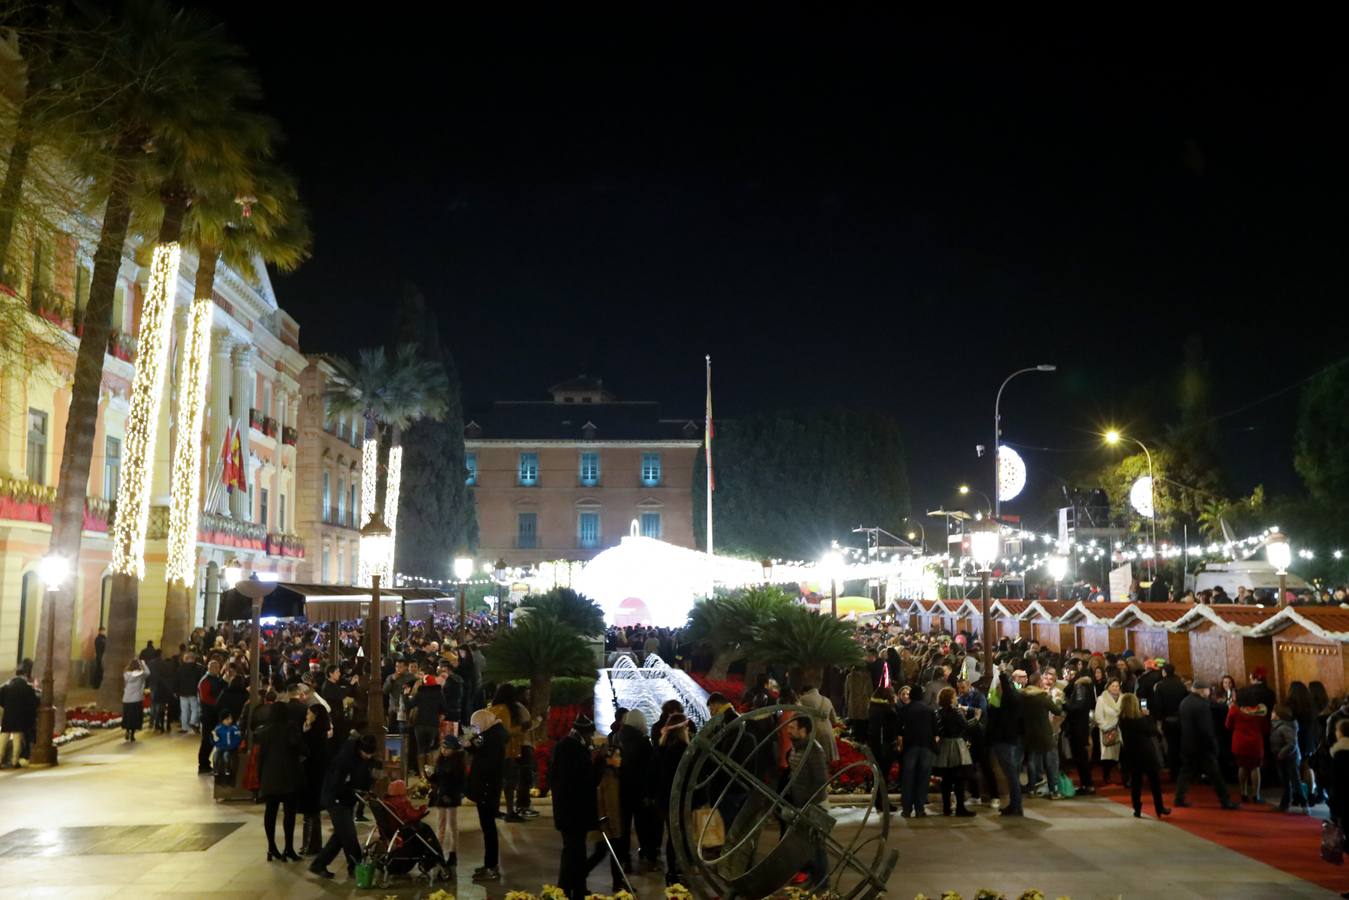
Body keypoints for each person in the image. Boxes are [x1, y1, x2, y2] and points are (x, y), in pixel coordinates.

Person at [309, 732, 378, 880]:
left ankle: (319, 864)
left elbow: (362, 777)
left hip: (346, 799)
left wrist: (365, 790)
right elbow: (337, 784)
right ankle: (357, 866)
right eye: (367, 753)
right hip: (335, 800)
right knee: (349, 834)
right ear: (360, 749)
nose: (369, 756)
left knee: (341, 835)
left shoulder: (361, 758)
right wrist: (354, 791)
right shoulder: (344, 759)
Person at [553, 714, 601, 900]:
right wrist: (598, 762)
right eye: (590, 735)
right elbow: (586, 780)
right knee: (572, 852)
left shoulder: (568, 746)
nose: (591, 738)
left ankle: (578, 888)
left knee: (577, 852)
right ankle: (563, 890)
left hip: (570, 811)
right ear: (585, 733)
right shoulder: (572, 748)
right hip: (572, 812)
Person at [1174, 680, 1238, 810]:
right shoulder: (1202, 705)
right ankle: (1225, 801)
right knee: (1216, 775)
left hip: (1187, 744)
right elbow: (1206, 729)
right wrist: (1214, 745)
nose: (1209, 693)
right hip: (1202, 747)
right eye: (1208, 690)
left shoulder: (1185, 702)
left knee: (1185, 772)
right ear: (1202, 690)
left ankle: (1179, 798)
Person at [784, 714, 829, 890]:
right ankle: (814, 878)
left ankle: (822, 883)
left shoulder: (813, 751)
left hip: (815, 806)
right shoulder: (796, 748)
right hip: (801, 806)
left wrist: (809, 807)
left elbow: (820, 781)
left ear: (803, 731)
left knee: (818, 848)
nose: (788, 731)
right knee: (807, 847)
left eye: (792, 728)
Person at [257, 702, 304, 861]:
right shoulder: (290, 728)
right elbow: (298, 746)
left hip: (269, 777)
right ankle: (288, 848)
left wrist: (260, 778)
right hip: (288, 776)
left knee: (270, 812)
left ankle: (271, 848)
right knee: (289, 814)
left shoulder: (264, 732)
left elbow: (260, 757)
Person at [467, 707, 507, 882]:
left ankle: (491, 867)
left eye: (476, 725)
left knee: (489, 829)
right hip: (487, 789)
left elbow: (487, 764)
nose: (474, 728)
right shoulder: (492, 735)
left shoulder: (493, 739)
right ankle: (489, 864)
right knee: (487, 829)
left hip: (487, 790)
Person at [1118, 693, 1169, 818]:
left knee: (1136, 783)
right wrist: (1148, 716)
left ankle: (1137, 808)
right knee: (1154, 782)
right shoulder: (1141, 720)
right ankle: (1159, 807)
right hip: (1146, 754)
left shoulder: (1122, 720)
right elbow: (1152, 731)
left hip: (1132, 755)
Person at [933, 687, 977, 816]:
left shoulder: (938, 712)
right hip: (957, 745)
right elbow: (966, 726)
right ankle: (960, 808)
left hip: (944, 745)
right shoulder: (956, 712)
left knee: (946, 779)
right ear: (951, 698)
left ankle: (946, 808)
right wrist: (976, 719)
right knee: (959, 778)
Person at [896, 680, 936, 817]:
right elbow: (935, 729)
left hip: (910, 746)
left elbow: (899, 729)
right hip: (926, 746)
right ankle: (920, 809)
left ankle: (907, 809)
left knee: (908, 778)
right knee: (923, 778)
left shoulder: (905, 709)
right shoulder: (929, 710)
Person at [1021, 675, 1064, 798]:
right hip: (1044, 732)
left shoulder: (1023, 696)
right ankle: (1053, 790)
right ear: (1039, 683)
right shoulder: (1043, 697)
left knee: (1032, 761)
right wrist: (1059, 702)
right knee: (1050, 762)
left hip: (1029, 732)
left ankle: (1032, 789)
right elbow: (1057, 711)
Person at [299, 702, 331, 856]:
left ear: (315, 716)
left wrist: (304, 733)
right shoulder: (322, 733)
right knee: (313, 813)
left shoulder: (313, 734)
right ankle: (313, 845)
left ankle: (309, 845)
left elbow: (306, 752)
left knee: (310, 813)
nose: (306, 716)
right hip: (318, 777)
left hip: (311, 776)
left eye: (309, 713)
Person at [1226, 694, 1269, 803]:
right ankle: (1256, 795)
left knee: (1242, 767)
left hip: (1239, 742)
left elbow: (1227, 725)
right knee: (1255, 767)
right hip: (1255, 743)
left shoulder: (1234, 710)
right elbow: (1265, 728)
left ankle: (1243, 793)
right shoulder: (1260, 711)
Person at [1271, 704, 1308, 814]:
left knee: (1295, 781)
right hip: (1281, 757)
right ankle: (1285, 804)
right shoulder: (1276, 725)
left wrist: (1281, 753)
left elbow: (1291, 744)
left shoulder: (1285, 727)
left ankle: (1304, 804)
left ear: (1279, 715)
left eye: (1273, 712)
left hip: (1289, 758)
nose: (1271, 714)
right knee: (1286, 782)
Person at [0, 663, 37, 768]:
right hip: (19, 717)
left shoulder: (8, 685)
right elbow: (32, 703)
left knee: (3, 737)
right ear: (25, 675)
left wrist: (6, 706)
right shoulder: (26, 687)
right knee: (17, 738)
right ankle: (14, 761)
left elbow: (0, 698)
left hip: (8, 715)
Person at [1063, 675, 1096, 794]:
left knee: (1081, 758)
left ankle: (1087, 785)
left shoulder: (1080, 687)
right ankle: (1086, 785)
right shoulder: (1085, 687)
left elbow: (1077, 707)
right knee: (1081, 758)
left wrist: (1064, 705)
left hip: (1077, 728)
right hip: (1081, 727)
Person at [867, 686, 900, 805]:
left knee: (880, 776)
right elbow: (893, 728)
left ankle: (879, 801)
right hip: (885, 747)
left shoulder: (873, 708)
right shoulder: (887, 711)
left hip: (876, 747)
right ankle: (883, 802)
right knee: (883, 776)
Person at [1093, 678, 1123, 785]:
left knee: (1122, 755)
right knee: (1108, 757)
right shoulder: (1102, 699)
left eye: (1117, 686)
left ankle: (1125, 778)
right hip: (1108, 731)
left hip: (1120, 731)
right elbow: (1098, 716)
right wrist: (1106, 727)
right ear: (1108, 687)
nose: (1115, 688)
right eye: (1113, 686)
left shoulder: (1123, 699)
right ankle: (1106, 774)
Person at [175, 651, 204, 734]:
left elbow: (177, 680)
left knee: (184, 710)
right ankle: (193, 722)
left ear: (186, 659)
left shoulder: (180, 668)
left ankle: (185, 727)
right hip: (194, 692)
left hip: (183, 692)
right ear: (194, 659)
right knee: (195, 709)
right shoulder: (199, 668)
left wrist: (176, 690)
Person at [122, 658, 149, 742]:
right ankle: (132, 734)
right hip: (136, 699)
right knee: (135, 717)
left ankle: (127, 730)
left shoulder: (126, 674)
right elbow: (148, 673)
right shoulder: (140, 675)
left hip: (126, 698)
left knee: (127, 716)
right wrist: (143, 664)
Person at [211, 710, 242, 779]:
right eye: (227, 719)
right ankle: (216, 771)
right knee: (216, 755)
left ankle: (227, 771)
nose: (230, 720)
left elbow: (237, 739)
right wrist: (215, 740)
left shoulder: (234, 728)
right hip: (221, 747)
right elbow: (215, 740)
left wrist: (231, 746)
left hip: (230, 748)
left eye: (230, 718)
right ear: (222, 720)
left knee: (226, 756)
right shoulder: (218, 728)